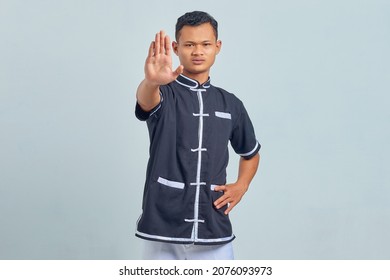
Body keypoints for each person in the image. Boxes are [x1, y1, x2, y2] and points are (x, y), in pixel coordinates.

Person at [135, 11, 260, 260]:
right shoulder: (164, 93)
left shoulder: (231, 104)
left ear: (217, 47)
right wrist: (151, 82)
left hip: (213, 229)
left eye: (205, 44)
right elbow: (146, 102)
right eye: (189, 44)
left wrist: (242, 185)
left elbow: (250, 153)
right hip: (163, 228)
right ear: (175, 47)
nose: (198, 51)